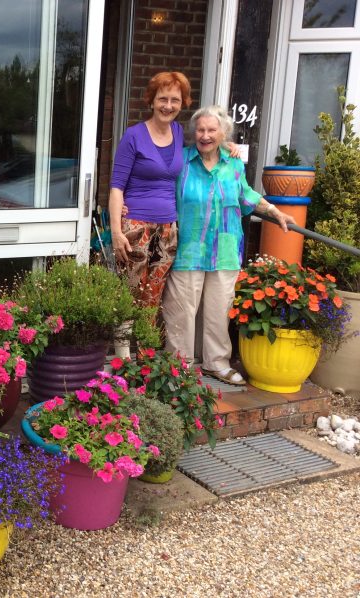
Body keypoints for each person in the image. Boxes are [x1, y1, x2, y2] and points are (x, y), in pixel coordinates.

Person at [162, 105, 295, 385]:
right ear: (193, 133)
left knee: (218, 311)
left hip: (224, 250)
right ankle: (178, 368)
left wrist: (274, 211)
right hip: (188, 249)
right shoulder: (181, 162)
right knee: (181, 312)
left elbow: (247, 195)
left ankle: (216, 364)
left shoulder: (234, 165)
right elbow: (159, 188)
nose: (205, 135)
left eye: (212, 130)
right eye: (200, 129)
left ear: (224, 133)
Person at [109, 71, 190, 309]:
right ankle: (123, 348)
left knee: (154, 296)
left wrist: (227, 145)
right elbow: (116, 188)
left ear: (182, 103)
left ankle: (146, 348)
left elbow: (209, 138)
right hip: (135, 227)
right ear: (152, 101)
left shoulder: (179, 132)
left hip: (168, 229)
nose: (168, 105)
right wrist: (116, 231)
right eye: (163, 99)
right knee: (129, 295)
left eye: (175, 100)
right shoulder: (134, 135)